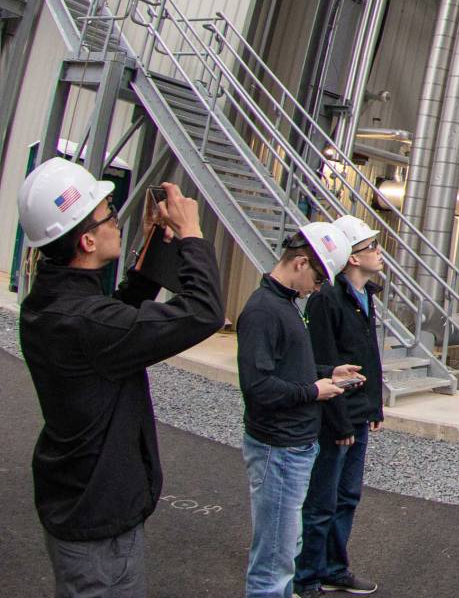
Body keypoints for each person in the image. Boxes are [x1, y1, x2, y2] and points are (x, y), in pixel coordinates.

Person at [18, 162, 223, 598]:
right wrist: (191, 235)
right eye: (108, 213)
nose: (116, 218)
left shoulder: (51, 303)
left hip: (77, 500)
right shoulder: (88, 322)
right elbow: (201, 313)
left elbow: (121, 313)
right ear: (87, 240)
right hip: (98, 524)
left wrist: (155, 243)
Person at [238, 223, 357, 598]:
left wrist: (327, 374)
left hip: (291, 447)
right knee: (274, 560)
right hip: (279, 448)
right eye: (319, 277)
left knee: (284, 549)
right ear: (301, 263)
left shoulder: (285, 305)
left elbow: (287, 369)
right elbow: (258, 388)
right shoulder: (264, 311)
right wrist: (313, 391)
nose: (319, 287)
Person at [296, 216, 389, 597]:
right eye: (372, 247)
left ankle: (335, 567)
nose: (379, 254)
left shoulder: (365, 297)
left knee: (347, 497)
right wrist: (341, 424)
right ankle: (307, 576)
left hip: (358, 415)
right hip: (336, 420)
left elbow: (367, 357)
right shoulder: (326, 301)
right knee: (322, 501)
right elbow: (326, 366)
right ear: (352, 258)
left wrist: (374, 408)